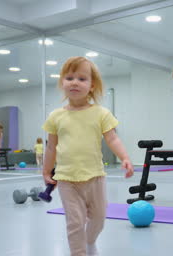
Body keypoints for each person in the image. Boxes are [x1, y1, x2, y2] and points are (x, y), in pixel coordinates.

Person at [42, 56, 134, 255]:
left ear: (92, 86)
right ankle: (79, 252)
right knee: (75, 222)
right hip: (67, 180)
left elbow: (112, 139)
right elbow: (51, 147)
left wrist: (125, 158)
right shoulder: (56, 116)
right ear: (62, 83)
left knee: (99, 219)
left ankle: (90, 241)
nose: (75, 82)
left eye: (82, 79)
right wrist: (46, 170)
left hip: (95, 178)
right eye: (69, 77)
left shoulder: (101, 113)